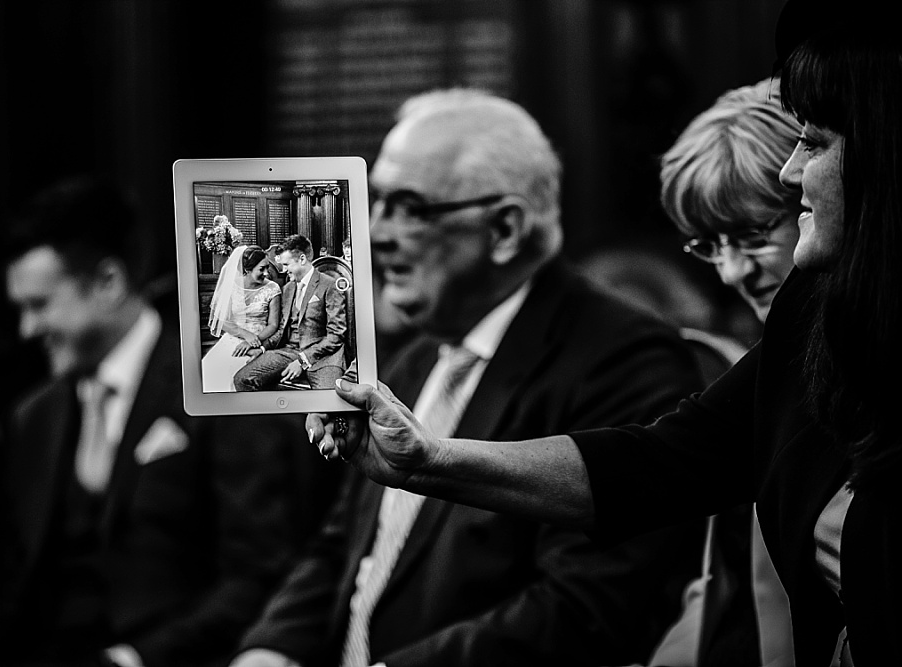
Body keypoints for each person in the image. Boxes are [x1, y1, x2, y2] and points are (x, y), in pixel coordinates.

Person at [308, 4, 901, 665]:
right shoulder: (813, 321)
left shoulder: (622, 355)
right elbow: (659, 464)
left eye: (816, 142)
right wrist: (427, 460)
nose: (793, 173)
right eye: (709, 245)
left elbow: (591, 604)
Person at [233, 89, 706, 667]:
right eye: (374, 202)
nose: (376, 233)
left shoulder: (624, 362)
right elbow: (344, 549)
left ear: (505, 229)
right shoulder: (409, 359)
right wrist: (270, 651)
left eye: (409, 207)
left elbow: (587, 606)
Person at [0, 174, 334, 667]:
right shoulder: (33, 417)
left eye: (39, 305)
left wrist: (134, 658)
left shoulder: (216, 390)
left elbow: (258, 574)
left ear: (108, 282)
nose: (27, 330)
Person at [642, 75, 803, 666]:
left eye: (755, 234)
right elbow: (727, 588)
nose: (734, 272)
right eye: (710, 243)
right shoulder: (747, 372)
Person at [233, 234, 347, 391]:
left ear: (301, 259)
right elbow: (280, 329)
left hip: (324, 358)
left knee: (328, 403)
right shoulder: (287, 289)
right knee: (242, 379)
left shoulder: (329, 285)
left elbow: (336, 335)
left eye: (286, 264)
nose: (283, 270)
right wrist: (262, 348)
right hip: (288, 352)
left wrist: (303, 361)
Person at [201, 244, 282, 392]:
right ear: (247, 269)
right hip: (234, 338)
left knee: (237, 373)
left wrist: (253, 341)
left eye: (267, 268)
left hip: (260, 339)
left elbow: (273, 324)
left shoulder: (272, 289)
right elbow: (221, 321)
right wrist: (245, 335)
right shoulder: (231, 286)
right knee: (210, 367)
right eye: (261, 269)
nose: (266, 273)